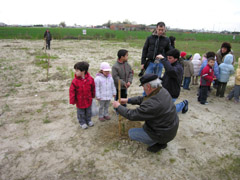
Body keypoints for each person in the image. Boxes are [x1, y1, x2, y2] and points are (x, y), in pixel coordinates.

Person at [112, 74, 179, 153]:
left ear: (149, 87)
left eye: (143, 87)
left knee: (131, 133)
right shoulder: (161, 90)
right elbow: (144, 99)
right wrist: (128, 100)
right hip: (170, 128)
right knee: (145, 126)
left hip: (162, 133)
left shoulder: (153, 104)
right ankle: (160, 141)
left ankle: (158, 142)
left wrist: (118, 106)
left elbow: (132, 115)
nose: (143, 89)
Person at [156, 49, 188, 114]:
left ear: (176, 59)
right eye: (167, 58)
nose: (168, 60)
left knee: (168, 112)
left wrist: (163, 59)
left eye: (170, 58)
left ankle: (183, 103)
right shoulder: (170, 66)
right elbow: (166, 78)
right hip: (165, 91)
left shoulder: (178, 68)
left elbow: (171, 71)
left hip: (172, 93)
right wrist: (158, 79)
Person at [69, 61, 95, 129]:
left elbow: (93, 88)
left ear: (83, 71)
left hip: (88, 99)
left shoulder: (90, 79)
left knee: (88, 111)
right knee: (81, 113)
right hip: (80, 101)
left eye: (77, 70)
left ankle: (88, 120)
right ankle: (82, 122)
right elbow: (72, 91)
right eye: (75, 70)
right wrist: (72, 100)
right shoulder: (75, 81)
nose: (75, 72)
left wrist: (93, 95)